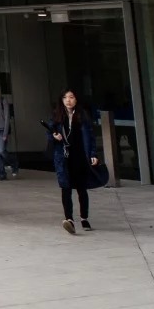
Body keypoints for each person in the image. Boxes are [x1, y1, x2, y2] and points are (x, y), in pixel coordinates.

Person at [48, 89, 101, 234]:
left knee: (81, 189)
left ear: (76, 100)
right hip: (63, 158)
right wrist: (55, 137)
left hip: (80, 157)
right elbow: (49, 134)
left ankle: (84, 218)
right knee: (65, 188)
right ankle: (69, 219)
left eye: (71, 97)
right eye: (65, 97)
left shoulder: (83, 117)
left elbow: (90, 138)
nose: (68, 100)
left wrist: (93, 154)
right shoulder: (57, 117)